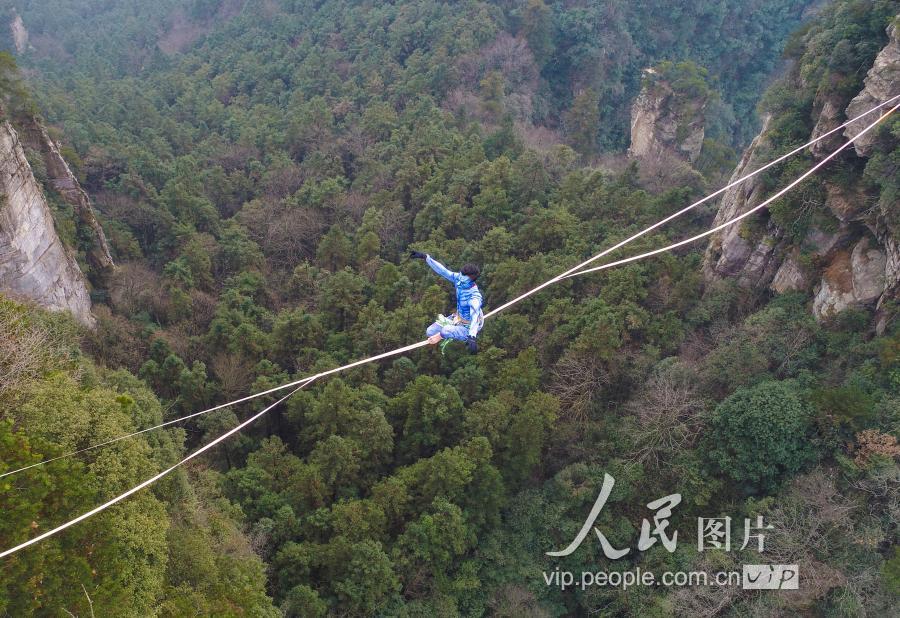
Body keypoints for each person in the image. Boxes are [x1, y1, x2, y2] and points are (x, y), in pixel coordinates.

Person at [410, 250, 483, 353]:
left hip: (469, 326)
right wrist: (426, 257)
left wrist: (472, 337)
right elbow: (443, 271)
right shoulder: (459, 279)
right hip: (458, 318)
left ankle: (459, 335)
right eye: (460, 275)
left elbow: (475, 316)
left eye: (463, 279)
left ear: (471, 280)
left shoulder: (474, 297)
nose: (459, 280)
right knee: (430, 332)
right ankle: (450, 332)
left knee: (445, 331)